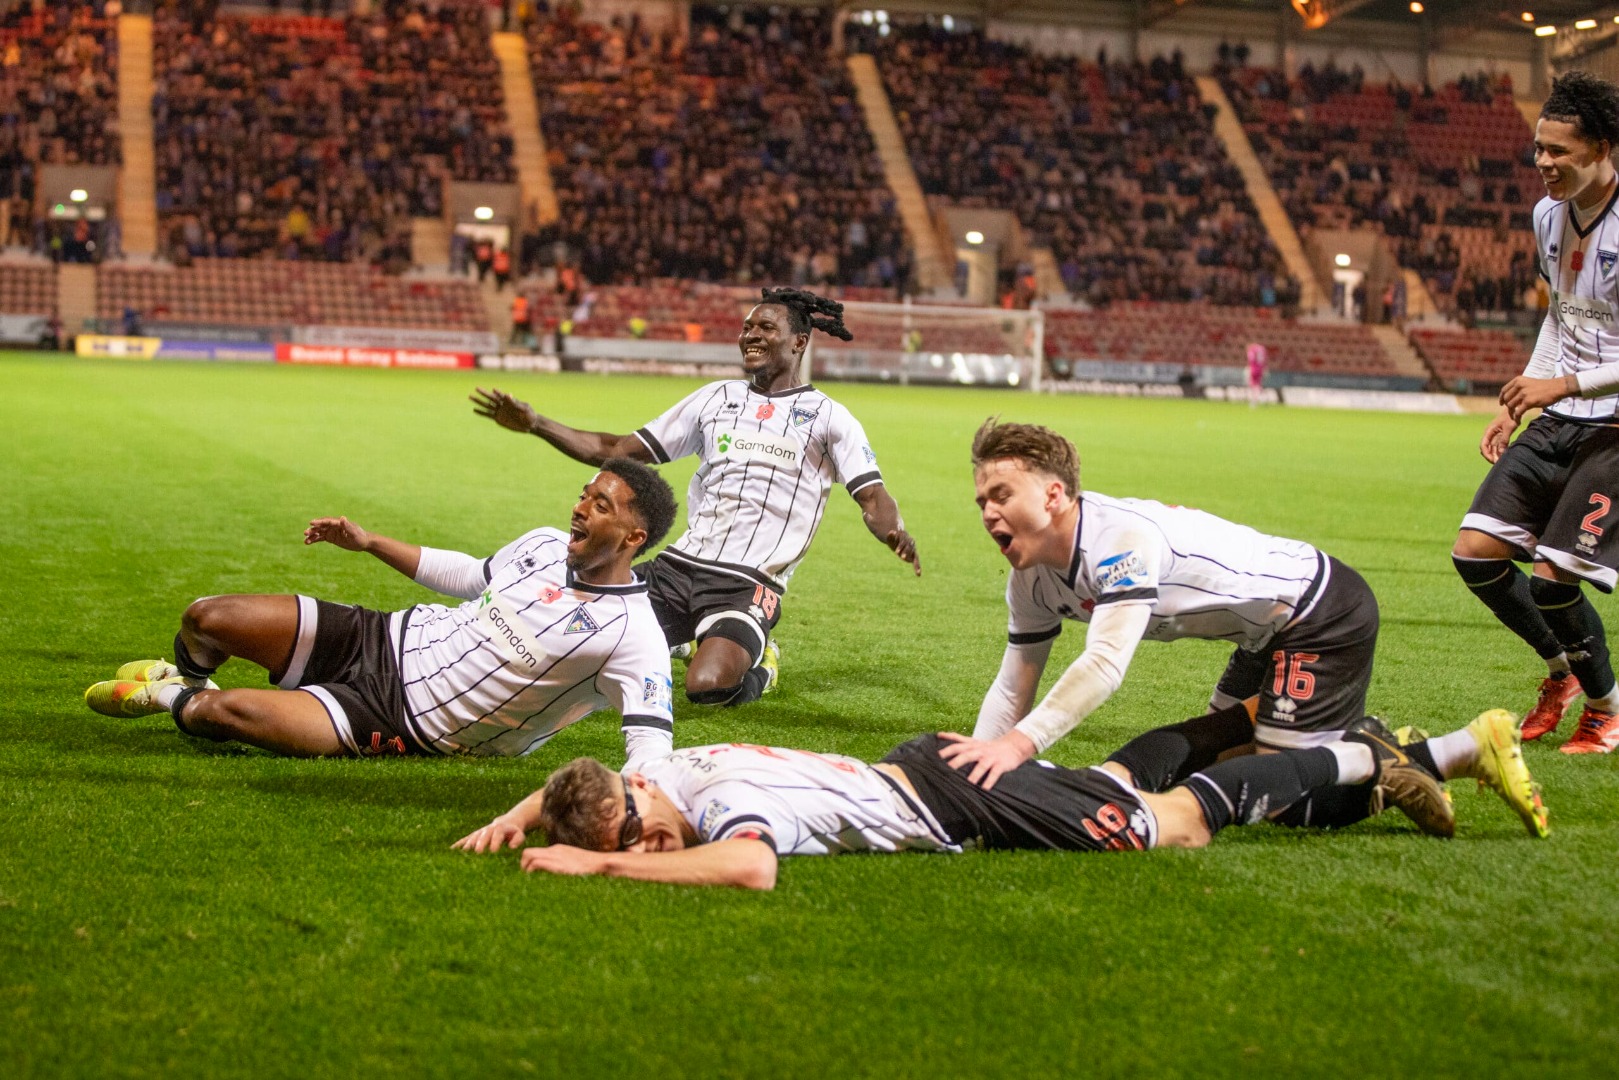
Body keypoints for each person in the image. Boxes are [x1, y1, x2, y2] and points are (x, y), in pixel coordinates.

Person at [935, 419, 1487, 838]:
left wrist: (1016, 747)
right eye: (982, 500)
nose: (987, 513)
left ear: (1053, 495)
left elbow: (1104, 664)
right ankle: (1322, 734)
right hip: (1259, 634)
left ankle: (1433, 751)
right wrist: (975, 775)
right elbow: (1014, 686)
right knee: (1217, 759)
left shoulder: (1119, 543)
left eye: (1002, 495)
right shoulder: (1031, 579)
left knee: (1284, 799)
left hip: (1318, 612)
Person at [453, 707, 1545, 890]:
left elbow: (748, 868)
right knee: (1112, 783)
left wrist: (596, 859)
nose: (649, 848)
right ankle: (1249, 717)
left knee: (1164, 828)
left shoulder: (729, 801)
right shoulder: (670, 772)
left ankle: (1373, 753)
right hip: (921, 768)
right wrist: (524, 813)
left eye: (641, 838)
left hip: (953, 802)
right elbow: (588, 787)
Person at [470, 287, 921, 708]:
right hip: (678, 567)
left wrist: (893, 531)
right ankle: (679, 639)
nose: (750, 335)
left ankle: (764, 665)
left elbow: (873, 496)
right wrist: (537, 424)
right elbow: (618, 450)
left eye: (766, 328)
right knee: (574, 641)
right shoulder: (715, 398)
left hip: (746, 584)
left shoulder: (830, 418)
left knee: (707, 687)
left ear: (799, 342)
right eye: (747, 327)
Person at [83, 460, 681, 766]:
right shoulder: (546, 544)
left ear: (634, 537)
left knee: (221, 712)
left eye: (600, 505)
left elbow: (650, 744)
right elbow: (469, 575)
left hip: (402, 718)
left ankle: (167, 697)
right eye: (583, 495)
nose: (580, 508)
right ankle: (187, 676)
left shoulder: (634, 637)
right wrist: (369, 542)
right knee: (207, 618)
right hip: (383, 637)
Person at [1452, 70, 1619, 754]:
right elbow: (1560, 314)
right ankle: (1562, 672)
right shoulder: (1546, 215)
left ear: (1601, 148)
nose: (1543, 162)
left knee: (1552, 580)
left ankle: (1606, 711)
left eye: (1558, 151)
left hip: (1614, 427)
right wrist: (1526, 394)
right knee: (1475, 554)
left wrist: (1564, 384)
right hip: (1561, 412)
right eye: (1538, 148)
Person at [1245, 341, 1268, 406]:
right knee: (1258, 384)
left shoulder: (1252, 350)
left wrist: (1249, 368)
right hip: (1261, 369)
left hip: (1254, 369)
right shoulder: (1262, 349)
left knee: (1253, 385)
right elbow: (1265, 359)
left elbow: (1251, 359)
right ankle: (1263, 397)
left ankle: (1255, 401)